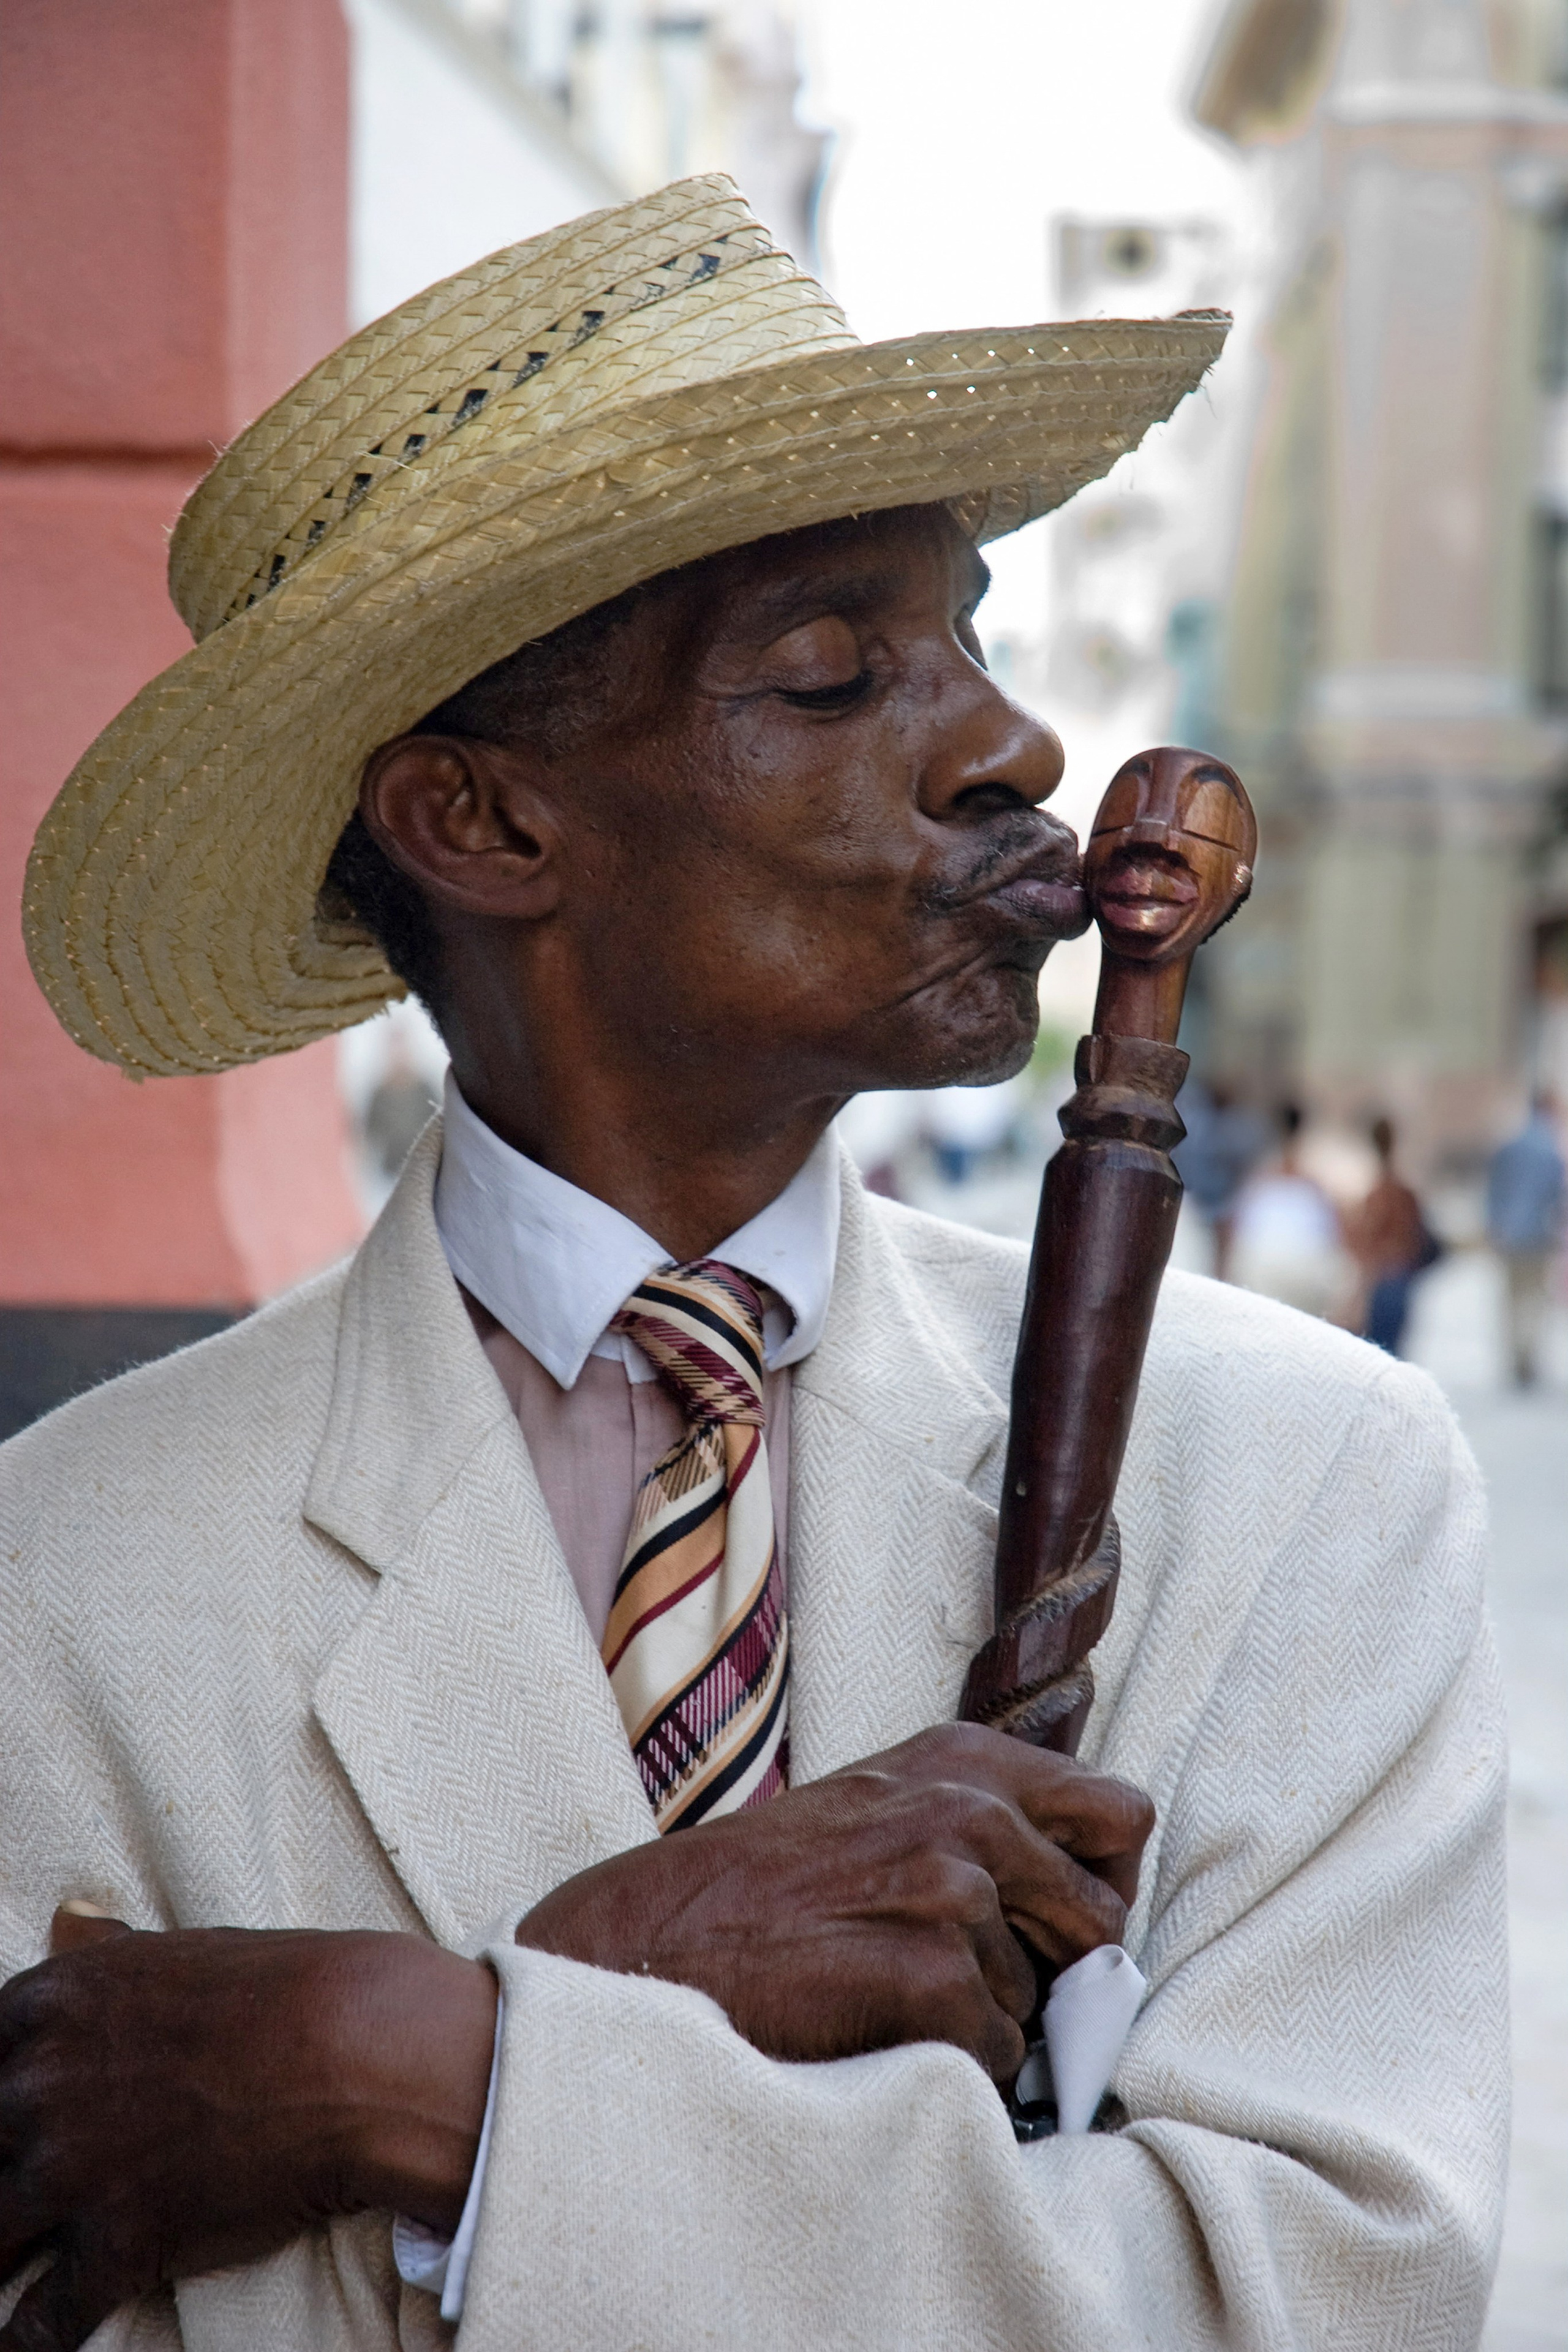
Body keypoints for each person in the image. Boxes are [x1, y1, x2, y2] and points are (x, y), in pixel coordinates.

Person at [1, 178, 1504, 2351]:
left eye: (971, 633)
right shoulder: (72, 1578)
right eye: (829, 674)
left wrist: (430, 2066)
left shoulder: (1296, 1485)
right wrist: (654, 1983)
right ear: (484, 826)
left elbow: (1311, 2292)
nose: (1014, 747)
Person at [1227, 1101, 1349, 1319]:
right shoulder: (1311, 1185)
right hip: (1302, 1269)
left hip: (1267, 1265)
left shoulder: (1262, 1181)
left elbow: (1240, 1228)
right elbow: (1334, 1234)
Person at [1486, 1093, 1566, 1385]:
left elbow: (1494, 1191)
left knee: (1512, 1300)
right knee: (1535, 1300)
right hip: (1539, 1236)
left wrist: (1494, 1226)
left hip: (1510, 1235)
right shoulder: (1550, 1151)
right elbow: (1558, 1199)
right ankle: (1527, 1355)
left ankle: (1516, 1355)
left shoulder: (1511, 1145)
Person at [1346, 1115, 1438, 1357]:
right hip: (1399, 1276)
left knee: (1378, 1353)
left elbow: (1363, 1243)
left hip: (1382, 1278)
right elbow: (1416, 1238)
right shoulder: (1404, 1191)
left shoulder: (1375, 1194)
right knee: (1393, 1353)